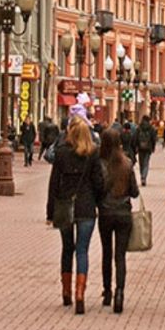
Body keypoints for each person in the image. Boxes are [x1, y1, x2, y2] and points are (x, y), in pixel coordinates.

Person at [47, 117, 104, 314]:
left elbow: (54, 182)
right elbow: (98, 182)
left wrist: (50, 210)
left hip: (65, 205)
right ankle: (80, 293)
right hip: (86, 207)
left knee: (67, 249)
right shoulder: (93, 154)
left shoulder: (62, 153)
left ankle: (66, 292)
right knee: (82, 250)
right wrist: (99, 202)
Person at [97, 128, 139, 313]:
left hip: (105, 212)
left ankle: (107, 291)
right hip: (123, 213)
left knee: (107, 252)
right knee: (120, 256)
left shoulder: (99, 164)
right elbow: (135, 192)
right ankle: (119, 293)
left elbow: (96, 189)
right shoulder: (127, 163)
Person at [135, 115, 157, 186]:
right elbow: (153, 138)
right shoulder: (151, 128)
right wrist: (153, 147)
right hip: (148, 148)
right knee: (146, 163)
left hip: (140, 148)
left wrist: (136, 146)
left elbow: (135, 137)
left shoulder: (139, 127)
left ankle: (142, 176)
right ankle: (144, 177)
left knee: (141, 163)